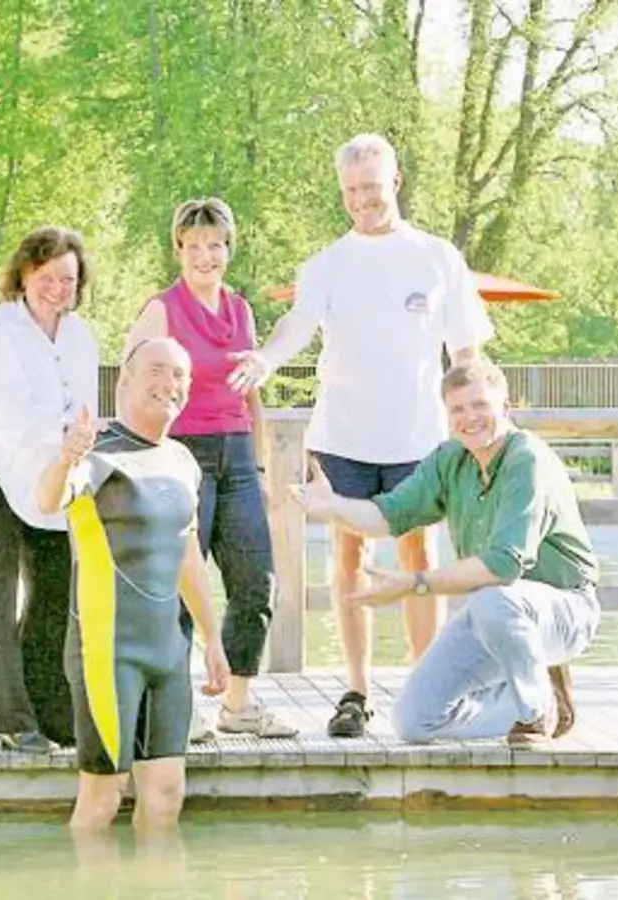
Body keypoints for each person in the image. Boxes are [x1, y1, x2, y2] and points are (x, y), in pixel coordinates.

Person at [226, 133, 495, 737]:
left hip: (418, 437)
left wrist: (477, 418)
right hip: (343, 435)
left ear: (394, 182)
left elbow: (466, 351)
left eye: (370, 188)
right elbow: (299, 322)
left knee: (419, 556)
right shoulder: (327, 264)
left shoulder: (436, 257)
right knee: (349, 558)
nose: (361, 201)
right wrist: (266, 358)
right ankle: (356, 690)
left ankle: (426, 685)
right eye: (350, 191)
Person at [289, 361, 595, 745]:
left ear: (506, 406)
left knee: (494, 599)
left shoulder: (527, 459)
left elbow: (504, 565)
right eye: (458, 409)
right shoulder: (450, 459)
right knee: (415, 721)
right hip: (495, 615)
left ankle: (533, 713)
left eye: (480, 405)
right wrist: (333, 506)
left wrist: (416, 584)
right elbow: (388, 515)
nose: (470, 417)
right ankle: (543, 700)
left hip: (564, 612)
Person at [34, 337, 231, 830]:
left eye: (180, 374)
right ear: (125, 380)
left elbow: (188, 556)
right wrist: (65, 459)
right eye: (156, 370)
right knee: (102, 798)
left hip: (168, 652)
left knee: (167, 795)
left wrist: (212, 638)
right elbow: (47, 501)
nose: (169, 383)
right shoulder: (97, 452)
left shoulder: (182, 460)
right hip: (108, 651)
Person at [121, 198, 296, 739]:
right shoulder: (162, 310)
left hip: (238, 456)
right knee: (177, 586)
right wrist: (140, 458)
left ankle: (238, 704)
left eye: (215, 245)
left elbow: (252, 393)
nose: (205, 256)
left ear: (228, 249)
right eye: (194, 245)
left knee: (256, 580)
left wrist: (260, 470)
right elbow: (130, 384)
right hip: (181, 456)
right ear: (178, 249)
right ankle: (177, 708)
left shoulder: (240, 310)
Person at [0, 226, 99, 753]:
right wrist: (63, 439)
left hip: (52, 475)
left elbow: (84, 408)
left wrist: (77, 450)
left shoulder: (81, 336)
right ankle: (4, 715)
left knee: (57, 588)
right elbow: (6, 415)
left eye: (67, 279)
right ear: (24, 275)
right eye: (46, 277)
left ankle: (51, 711)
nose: (57, 288)